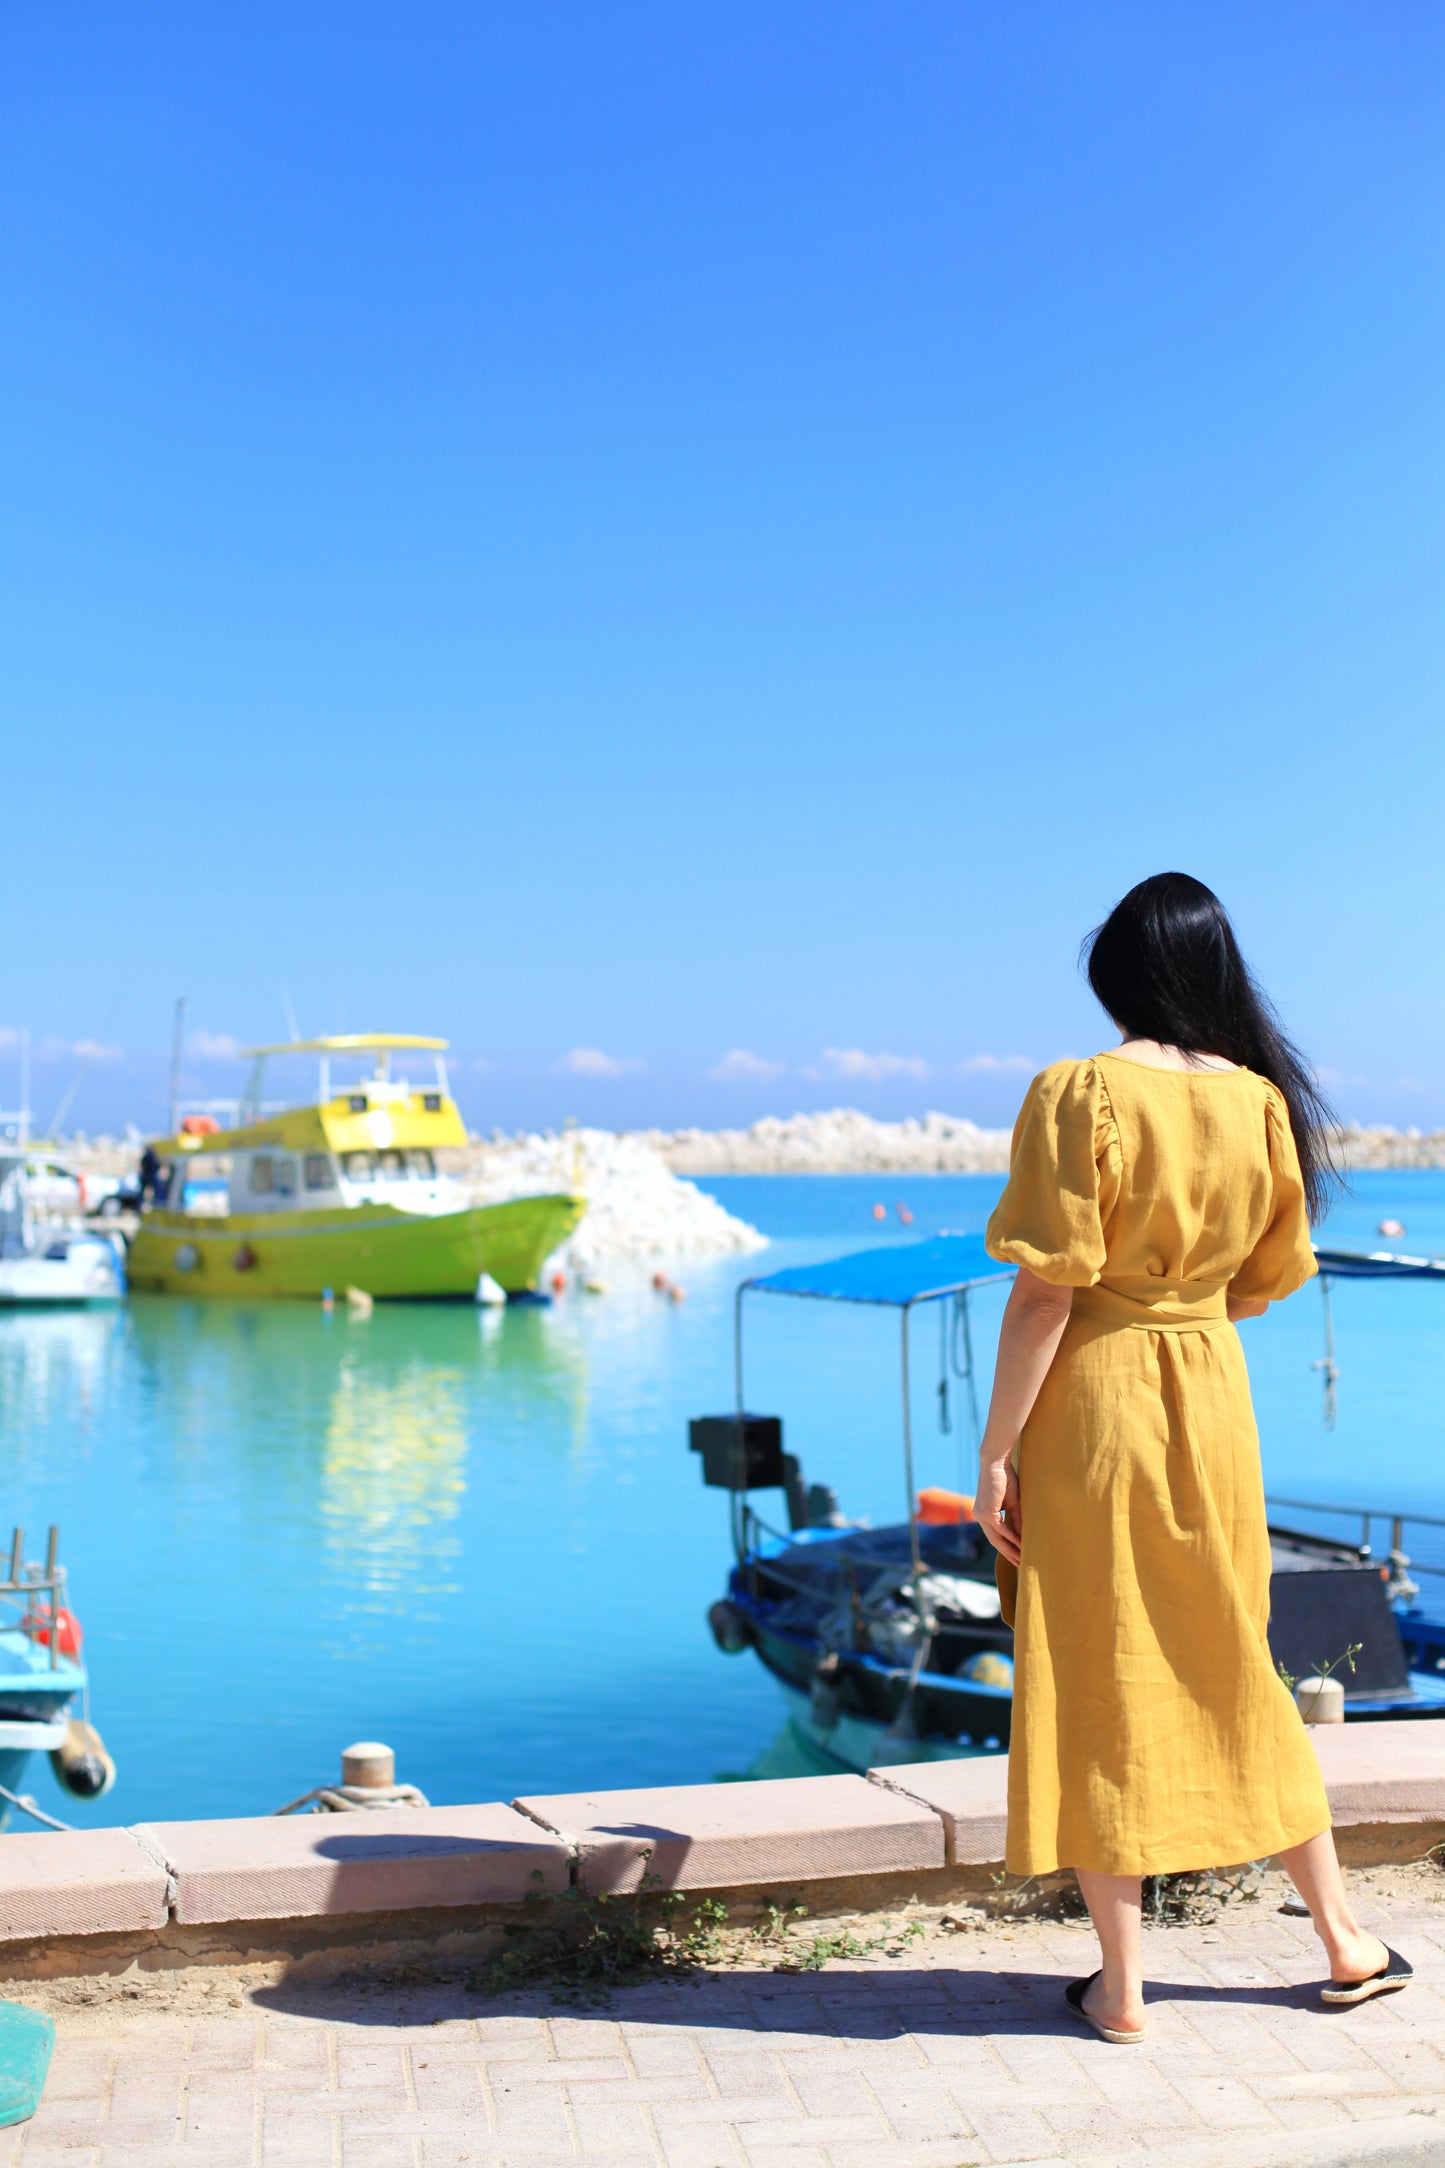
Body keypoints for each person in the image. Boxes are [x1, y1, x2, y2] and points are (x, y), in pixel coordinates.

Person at [977, 872, 1411, 2043]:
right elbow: (1267, 1279)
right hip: (1211, 1393)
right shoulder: (1261, 1102)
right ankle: (1341, 1939)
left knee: (1098, 1661)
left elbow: (1041, 1294)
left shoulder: (1078, 1091)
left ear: (1117, 974)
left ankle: (1118, 1985)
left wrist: (993, 1452)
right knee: (1231, 1652)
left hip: (1098, 1400)